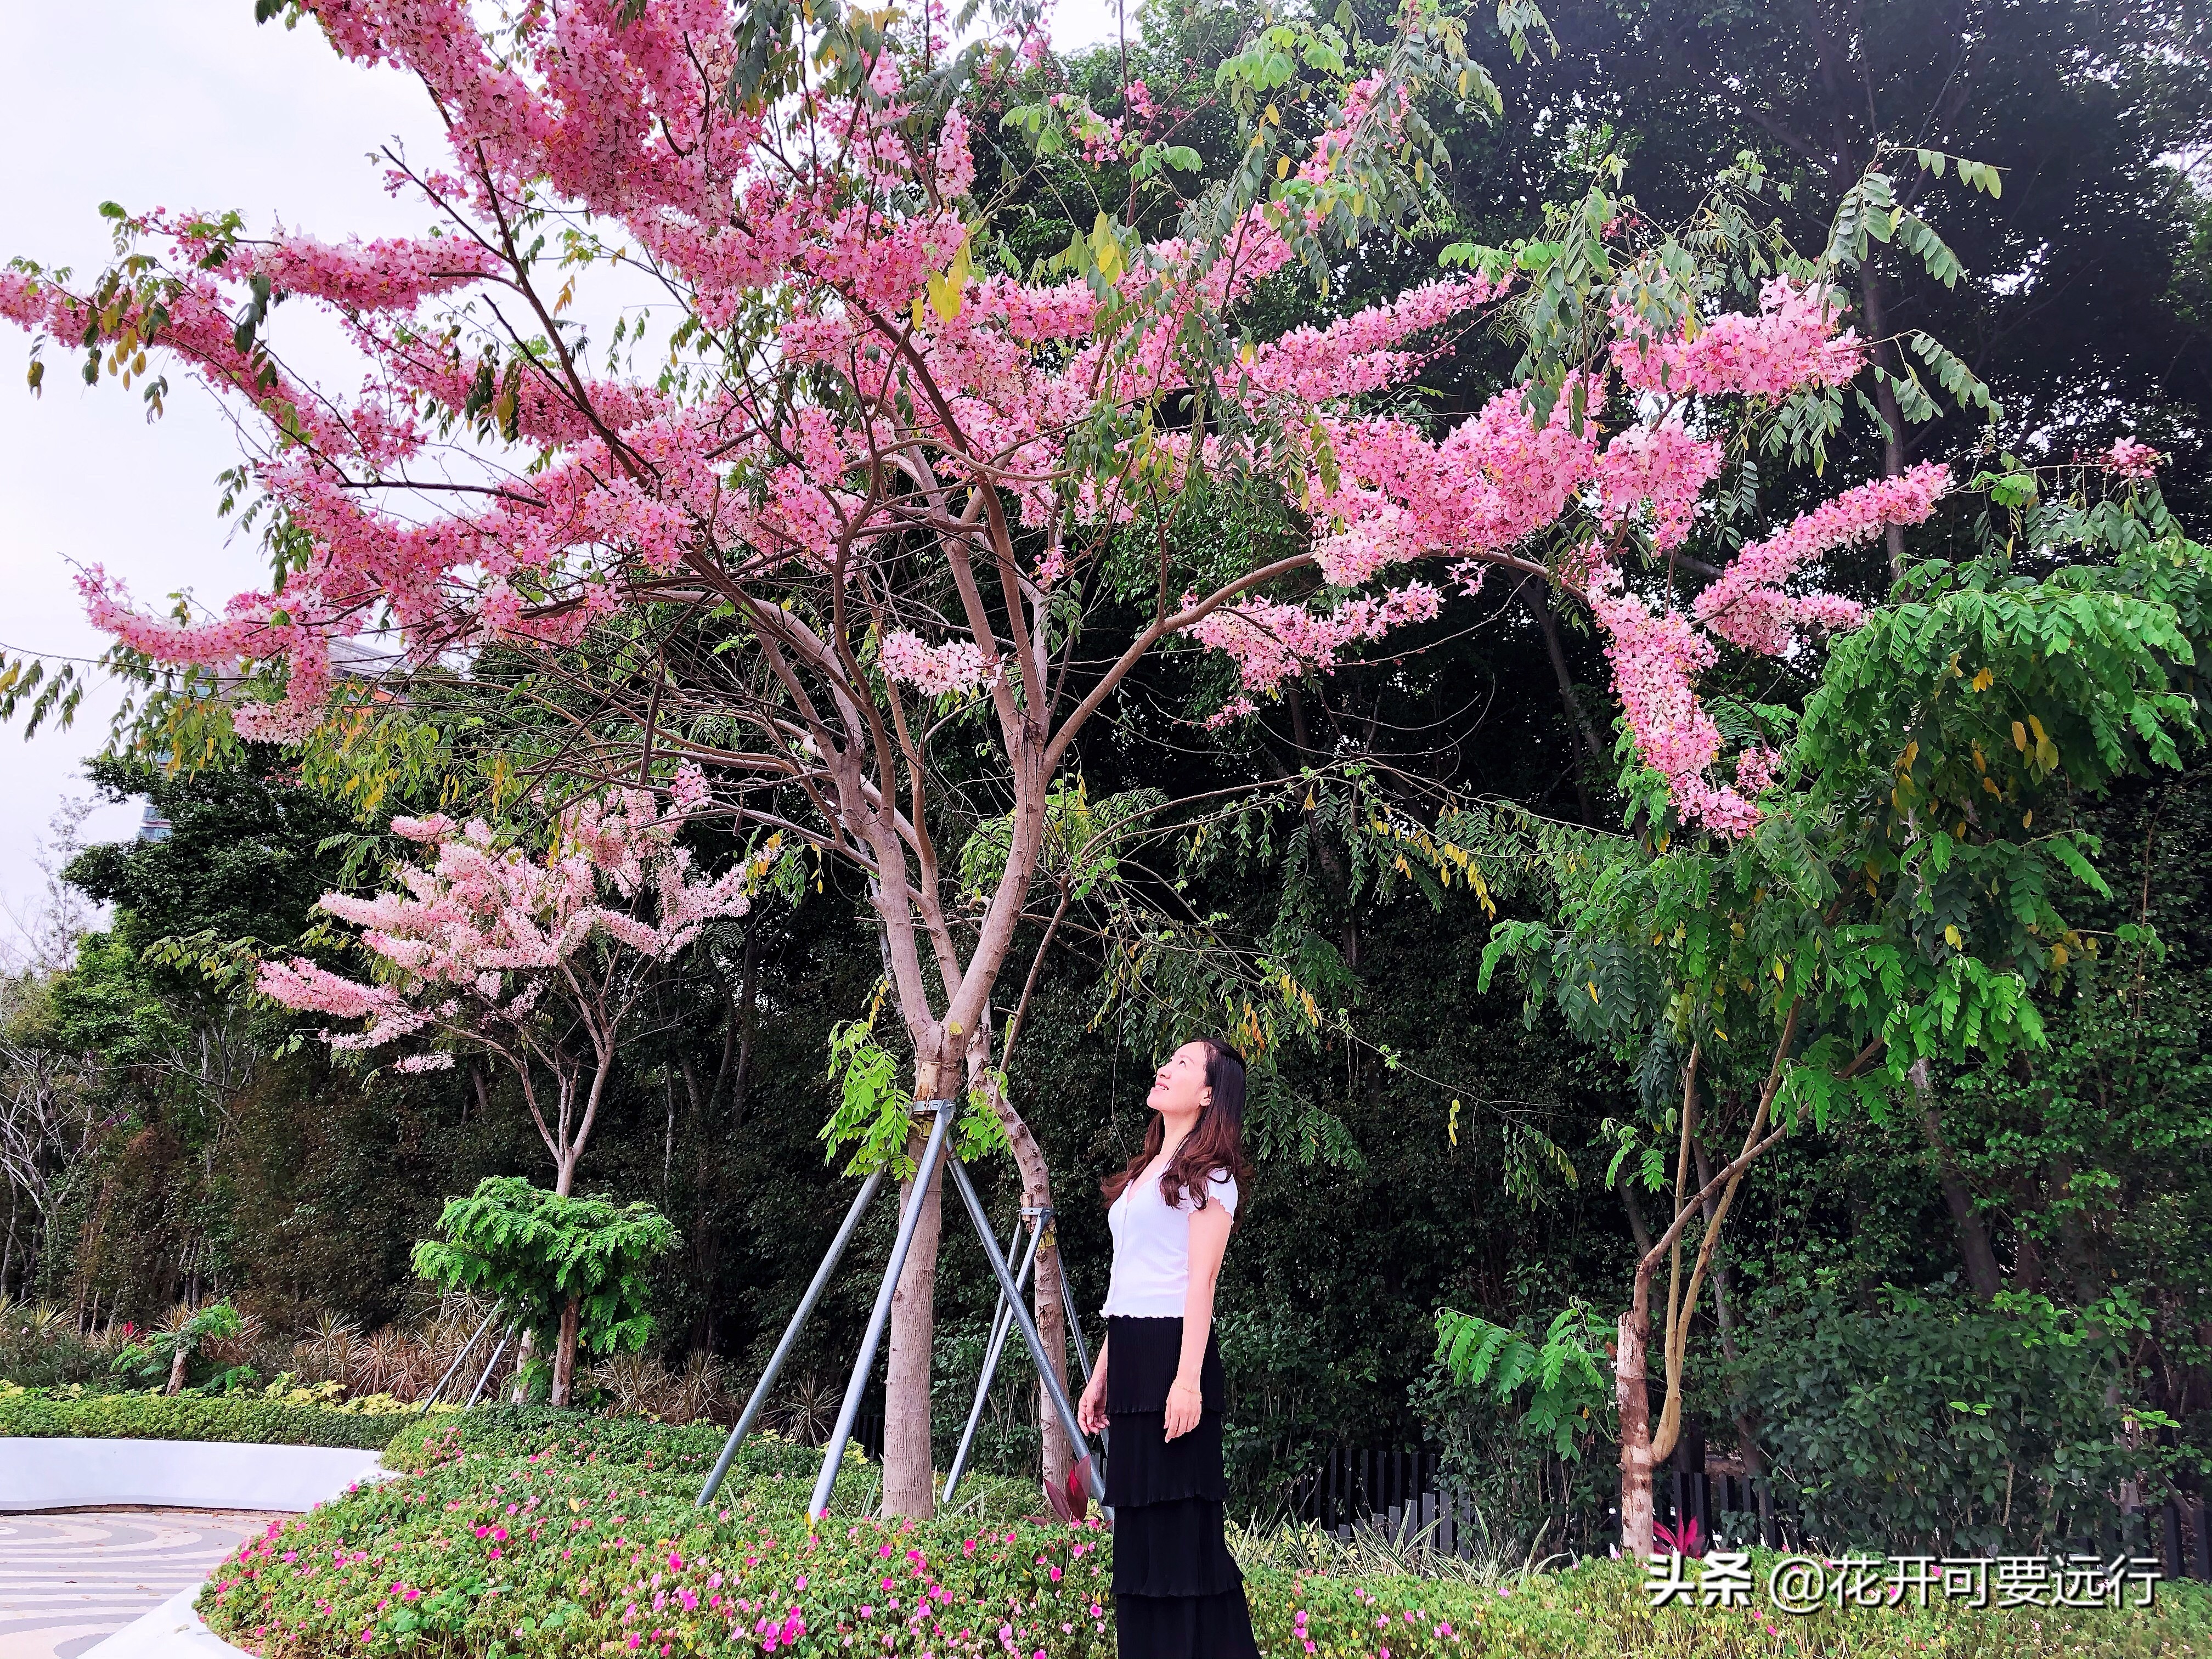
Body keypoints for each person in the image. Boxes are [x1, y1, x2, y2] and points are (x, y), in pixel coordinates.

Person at [1078, 1037, 1260, 1659]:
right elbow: (1129, 1279)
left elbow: (1199, 1281)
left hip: (1176, 1356)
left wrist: (1189, 1382)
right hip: (1131, 1353)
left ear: (1208, 1094)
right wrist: (1103, 1373)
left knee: (1186, 1540)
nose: (1164, 1067)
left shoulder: (1212, 1177)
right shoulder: (1146, 1172)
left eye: (1181, 1064)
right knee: (1141, 1542)